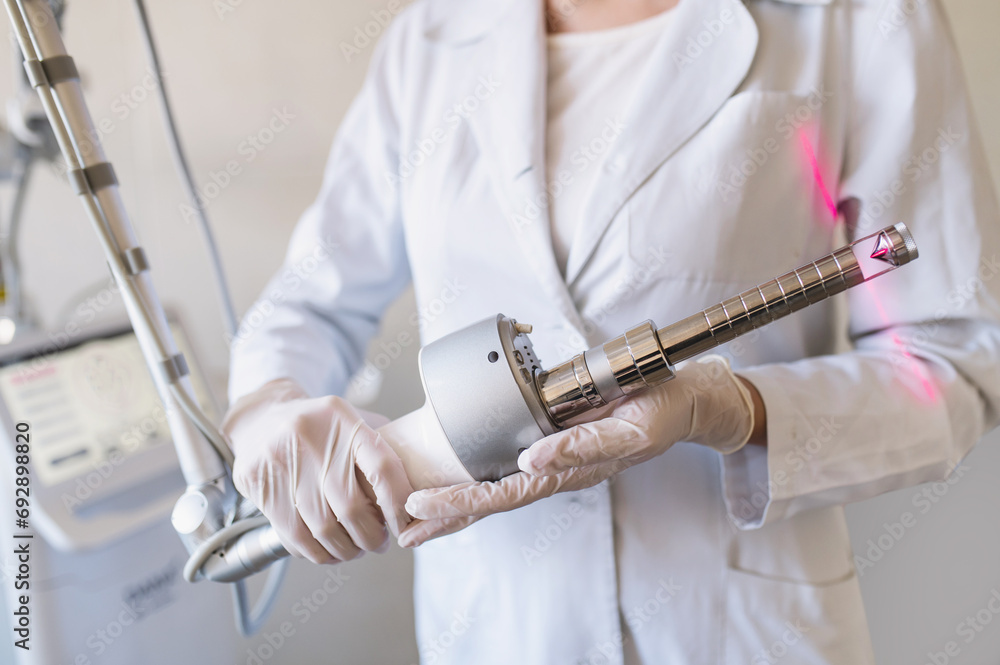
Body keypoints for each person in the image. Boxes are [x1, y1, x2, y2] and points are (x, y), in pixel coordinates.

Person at [222, 0, 1000, 662]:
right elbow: (307, 307)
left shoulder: (857, 19)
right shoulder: (431, 38)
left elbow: (957, 364)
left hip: (736, 629)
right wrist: (268, 413)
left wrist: (728, 408)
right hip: (496, 623)